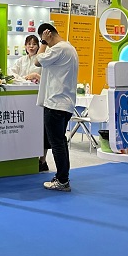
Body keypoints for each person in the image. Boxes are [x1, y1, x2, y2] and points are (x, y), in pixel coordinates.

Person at [29, 23, 78, 192]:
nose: (44, 43)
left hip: (55, 103)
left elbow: (37, 61)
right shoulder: (69, 48)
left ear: (47, 34)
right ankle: (62, 177)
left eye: (43, 38)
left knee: (57, 144)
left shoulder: (59, 48)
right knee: (60, 142)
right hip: (65, 103)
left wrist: (43, 42)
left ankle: (62, 180)